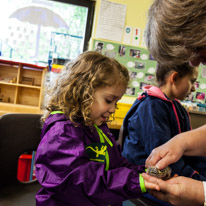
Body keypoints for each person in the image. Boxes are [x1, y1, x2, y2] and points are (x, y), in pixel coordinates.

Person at [35, 51, 159, 206]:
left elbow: (117, 164)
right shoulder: (62, 132)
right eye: (109, 100)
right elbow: (83, 182)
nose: (113, 109)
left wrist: (145, 174)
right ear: (83, 92)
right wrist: (136, 182)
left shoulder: (96, 127)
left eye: (116, 102)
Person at [142, 0, 206, 205]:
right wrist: (181, 142)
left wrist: (201, 192)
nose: (194, 62)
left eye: (197, 48)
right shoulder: (153, 107)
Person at [121, 62, 206, 205]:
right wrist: (197, 179)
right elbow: (163, 161)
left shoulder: (178, 108)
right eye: (192, 81)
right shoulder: (151, 107)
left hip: (174, 171)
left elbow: (190, 152)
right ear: (175, 78)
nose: (193, 88)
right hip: (148, 179)